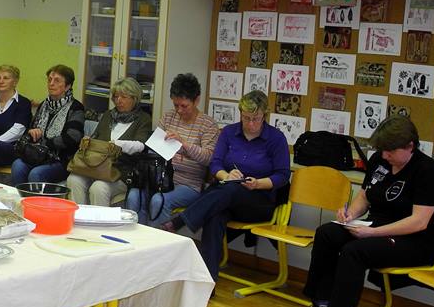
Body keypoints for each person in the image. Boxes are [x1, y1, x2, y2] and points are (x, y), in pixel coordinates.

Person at [298, 117, 434, 307]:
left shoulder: (428, 171)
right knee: (326, 233)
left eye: (390, 151)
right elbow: (365, 196)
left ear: (410, 146)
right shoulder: (379, 160)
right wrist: (349, 214)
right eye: (382, 150)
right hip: (375, 227)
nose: (385, 155)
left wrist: (373, 233)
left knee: (353, 252)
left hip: (414, 241)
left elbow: (419, 221)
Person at [162, 90, 290, 282]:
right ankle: (207, 282)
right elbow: (216, 164)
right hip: (226, 199)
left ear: (265, 115)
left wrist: (257, 183)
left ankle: (180, 221)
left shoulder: (276, 138)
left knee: (230, 189)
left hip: (259, 201)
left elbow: (282, 175)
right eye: (246, 118)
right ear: (240, 114)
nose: (251, 123)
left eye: (256, 119)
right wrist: (227, 175)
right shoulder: (229, 132)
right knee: (215, 216)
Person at [124, 73, 219, 226]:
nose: (179, 110)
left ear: (196, 100)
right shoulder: (168, 117)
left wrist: (184, 144)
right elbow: (153, 148)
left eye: (184, 106)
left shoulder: (208, 125)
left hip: (188, 184)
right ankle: (136, 238)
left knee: (158, 200)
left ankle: (158, 240)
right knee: (134, 196)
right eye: (176, 105)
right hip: (158, 177)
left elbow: (209, 158)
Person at [66, 77, 151, 207]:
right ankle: (79, 218)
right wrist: (88, 141)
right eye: (116, 97)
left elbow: (141, 145)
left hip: (121, 172)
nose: (118, 100)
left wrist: (115, 144)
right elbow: (95, 138)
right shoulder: (108, 115)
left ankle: (99, 220)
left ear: (135, 98)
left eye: (123, 97)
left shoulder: (143, 119)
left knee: (99, 188)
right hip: (96, 166)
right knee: (73, 179)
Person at [10, 65, 85, 186]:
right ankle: (21, 198)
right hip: (38, 155)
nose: (51, 83)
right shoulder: (44, 105)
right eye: (49, 79)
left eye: (57, 80)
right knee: (18, 165)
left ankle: (35, 199)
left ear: (67, 86)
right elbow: (30, 129)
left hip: (61, 160)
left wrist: (46, 143)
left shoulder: (76, 108)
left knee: (36, 174)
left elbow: (73, 137)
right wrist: (32, 132)